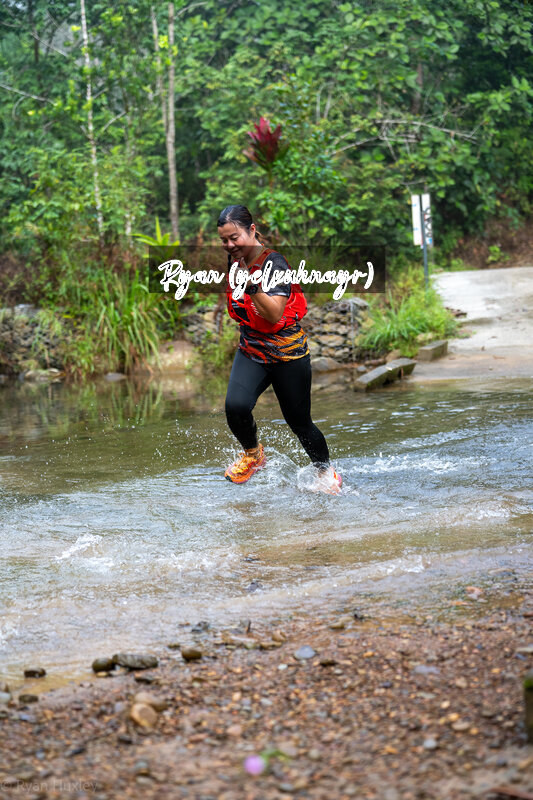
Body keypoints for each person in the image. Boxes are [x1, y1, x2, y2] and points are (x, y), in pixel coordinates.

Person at [217, 204, 342, 494]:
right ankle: (253, 455)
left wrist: (252, 287)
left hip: (288, 353)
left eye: (234, 238)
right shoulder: (235, 261)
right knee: (235, 407)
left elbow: (274, 314)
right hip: (252, 349)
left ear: (251, 230)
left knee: (299, 422)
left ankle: (325, 472)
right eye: (224, 240)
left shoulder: (275, 264)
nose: (229, 245)